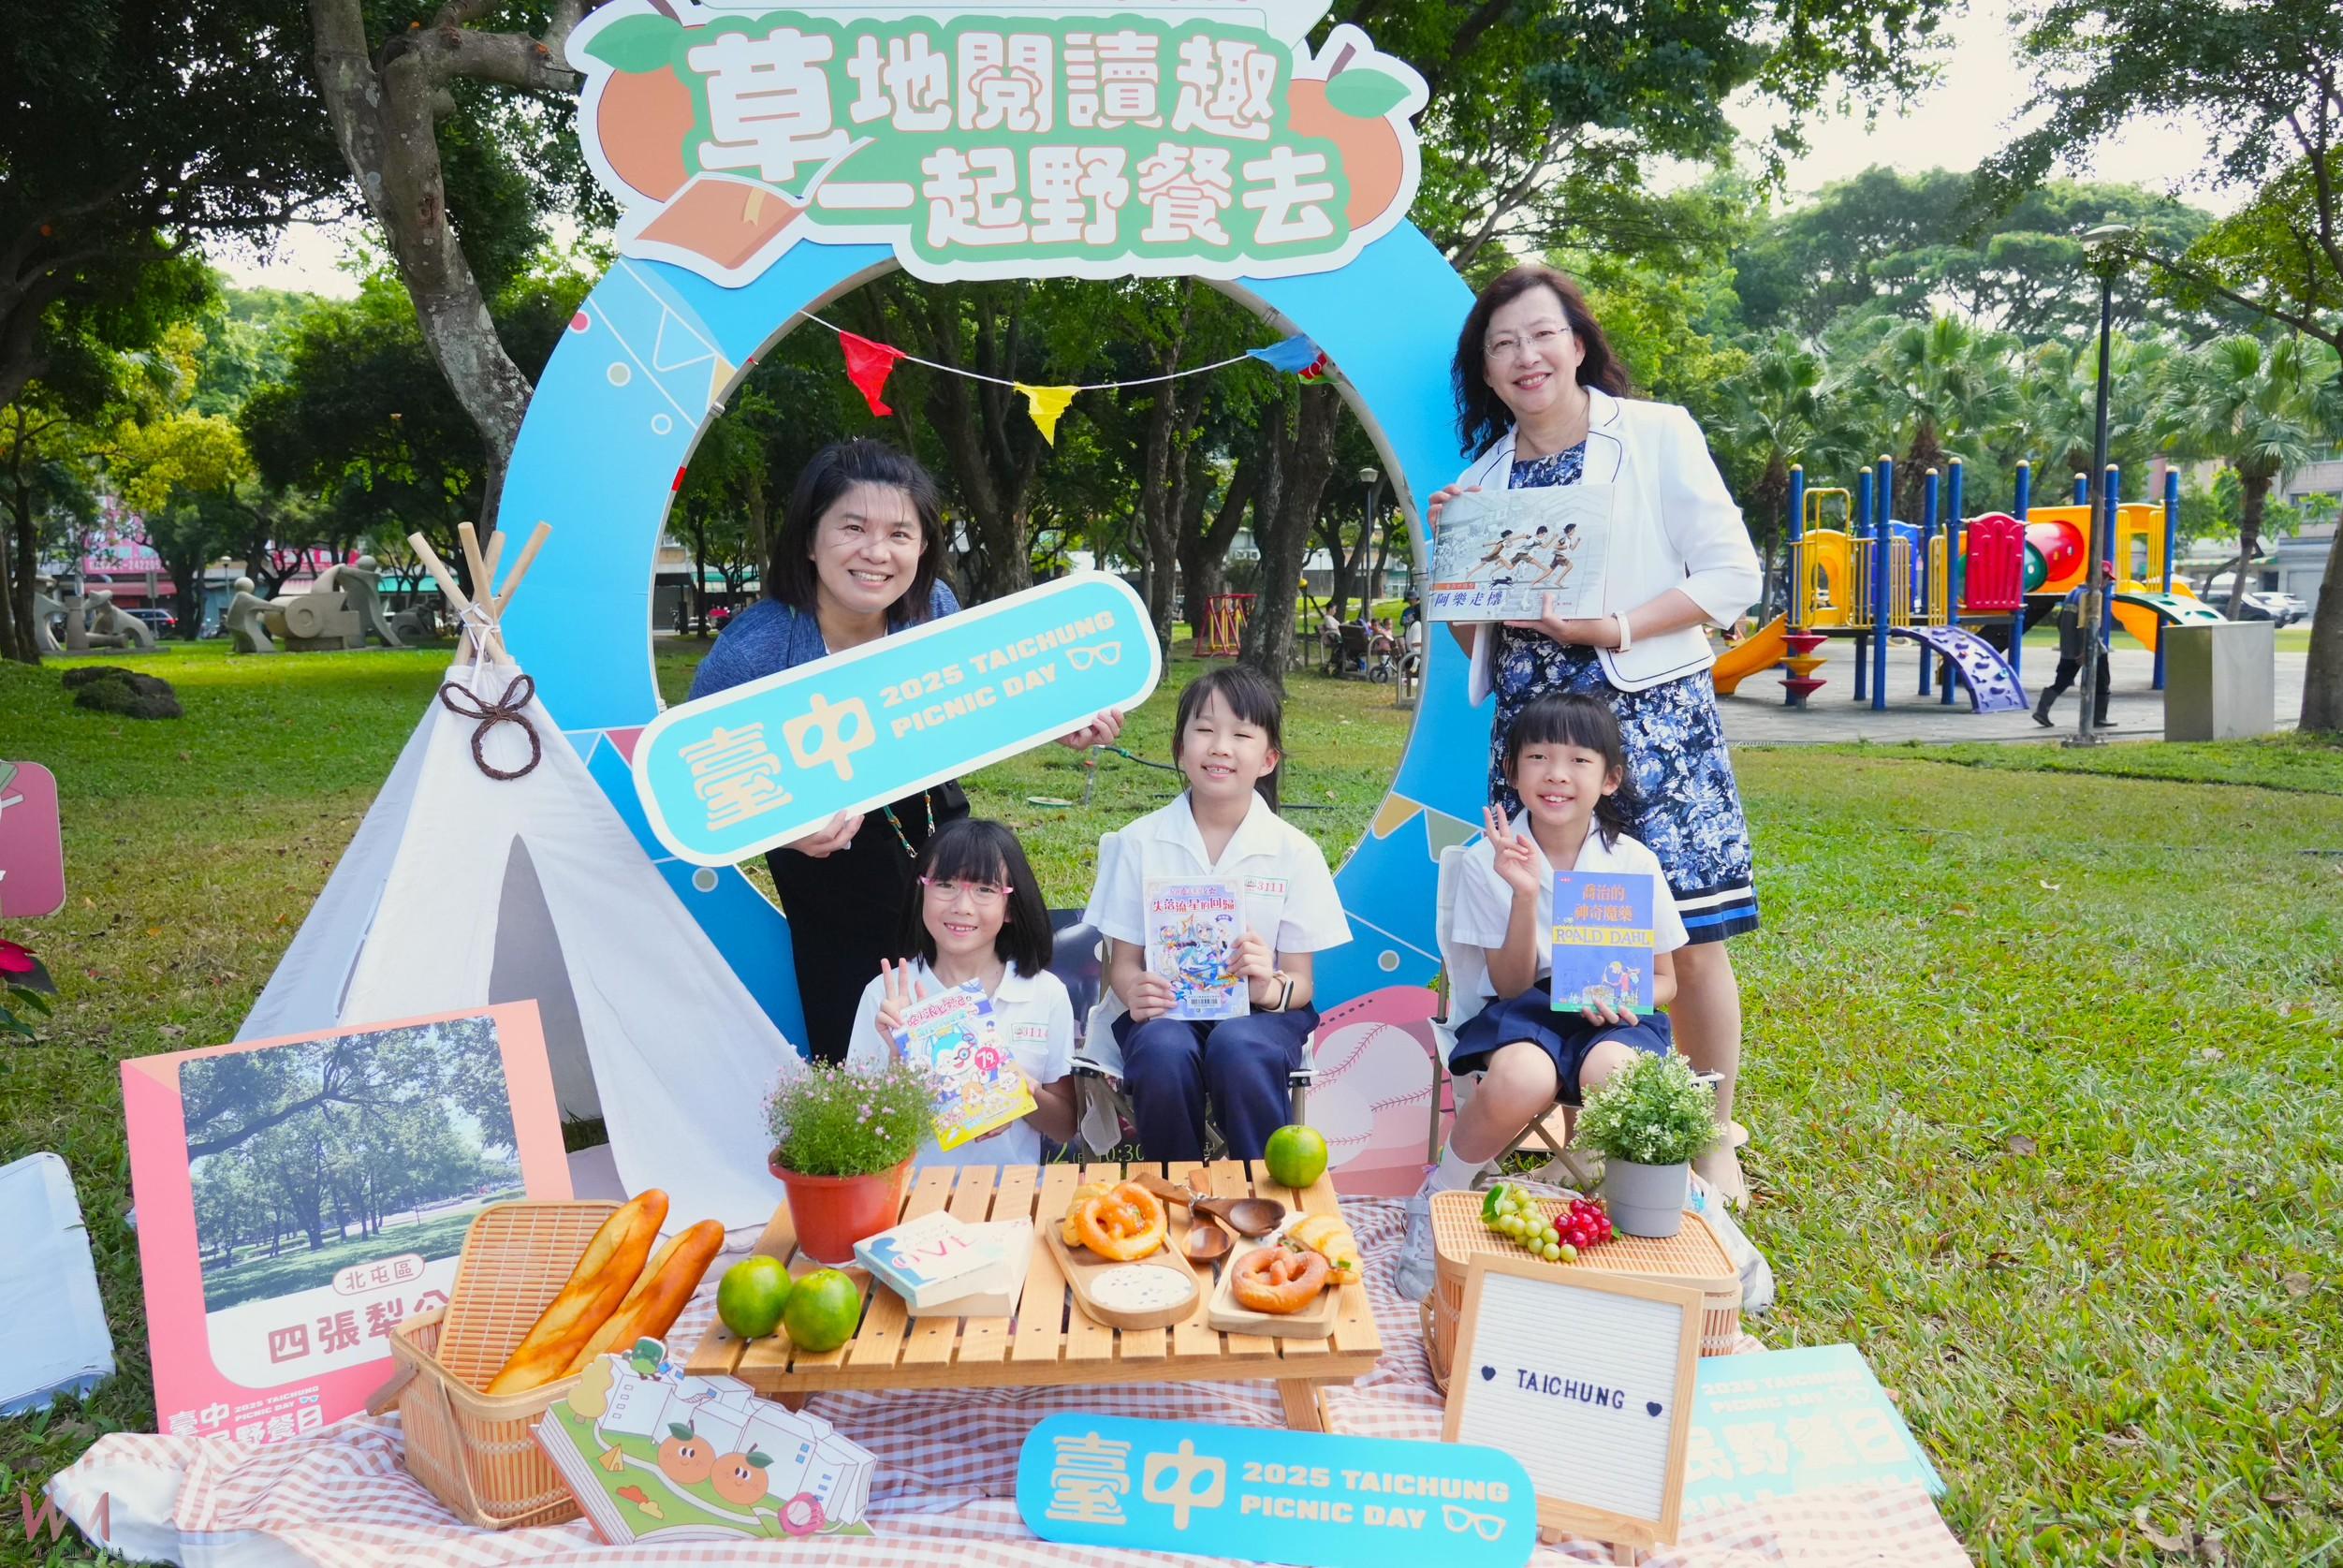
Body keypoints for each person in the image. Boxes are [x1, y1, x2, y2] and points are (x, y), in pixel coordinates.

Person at [1428, 262, 1761, 1203]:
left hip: (1650, 720)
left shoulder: (1654, 434)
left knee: (1688, 932)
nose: (1525, 356)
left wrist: (1608, 627)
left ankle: (1711, 1137)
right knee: (1549, 926)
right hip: (1534, 732)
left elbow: (1731, 575)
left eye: (1542, 334)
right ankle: (1575, 1120)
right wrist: (1456, 555)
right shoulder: (1481, 482)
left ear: (1578, 343)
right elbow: (1474, 641)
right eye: (1501, 345)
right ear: (1484, 372)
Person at [689, 438, 1121, 1063]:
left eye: (899, 533)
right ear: (809, 539)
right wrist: (783, 830)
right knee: (859, 1033)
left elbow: (979, 699)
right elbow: (695, 787)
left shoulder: (932, 607)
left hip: (929, 816)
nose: (876, 552)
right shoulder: (752, 653)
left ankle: (995, 1104)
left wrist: (1054, 721)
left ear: (922, 546)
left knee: (965, 974)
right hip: (829, 854)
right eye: (853, 528)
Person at [1397, 694, 1687, 1299]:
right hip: (1524, 1008)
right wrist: (1524, 894)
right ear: (1511, 771)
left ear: (1609, 778)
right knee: (1522, 1077)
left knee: (1617, 1071)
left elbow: (1666, 979)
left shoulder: (1632, 861)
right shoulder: (1488, 860)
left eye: (1578, 760)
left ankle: (1671, 1214)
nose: (1556, 774)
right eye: (1537, 757)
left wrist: (1627, 1003)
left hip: (1615, 1016)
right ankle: (1439, 1195)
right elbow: (1509, 986)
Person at [1081, 665, 1350, 1161]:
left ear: (1268, 759)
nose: (1220, 747)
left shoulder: (1295, 852)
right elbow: (1124, 963)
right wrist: (1135, 990)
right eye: (1204, 730)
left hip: (1260, 1018)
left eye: (1241, 735)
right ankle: (1174, 1189)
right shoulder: (1138, 843)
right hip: (1164, 1015)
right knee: (1163, 1051)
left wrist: (1266, 987)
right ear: (1180, 749)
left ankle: (1259, 1189)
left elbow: (1301, 983)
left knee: (1238, 1047)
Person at [844, 819, 1077, 1167]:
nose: (962, 905)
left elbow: (1065, 1126)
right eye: (945, 884)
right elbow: (856, 1137)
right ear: (921, 892)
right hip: (913, 1192)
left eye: (984, 889)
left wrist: (1023, 1092)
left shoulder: (1045, 993)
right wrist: (898, 1061)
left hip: (1010, 1190)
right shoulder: (885, 995)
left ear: (1011, 906)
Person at [2033, 561, 2116, 729]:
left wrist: (2067, 641)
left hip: (2069, 648)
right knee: (2102, 681)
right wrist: (2085, 649)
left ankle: (2042, 709)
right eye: (2107, 579)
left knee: (2062, 680)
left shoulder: (2073, 593)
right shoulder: (2090, 597)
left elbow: (2060, 621)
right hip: (2091, 648)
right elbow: (2086, 625)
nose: (2107, 584)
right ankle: (2099, 717)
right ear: (2100, 578)